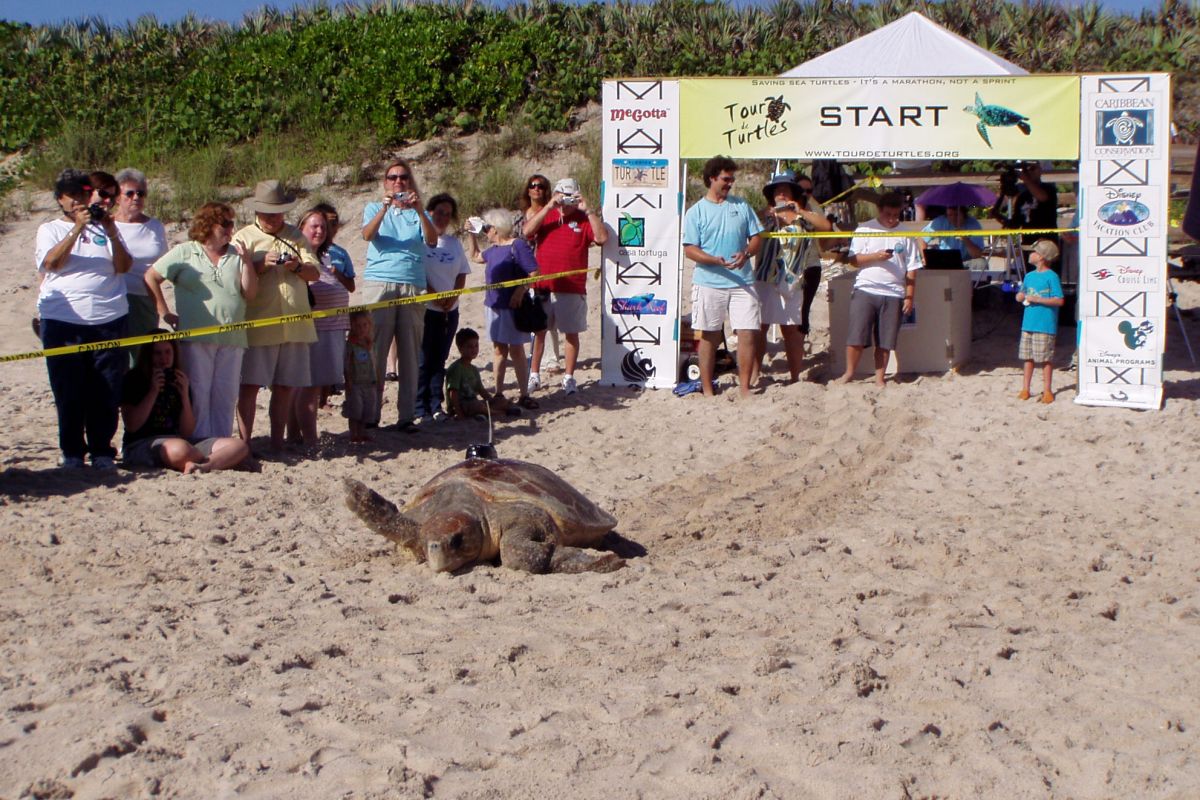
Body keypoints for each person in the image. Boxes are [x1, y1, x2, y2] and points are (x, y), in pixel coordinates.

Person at [36, 168, 133, 469]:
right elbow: (51, 263)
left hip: (109, 316)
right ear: (60, 199)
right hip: (63, 319)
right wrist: (77, 228)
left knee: (107, 387)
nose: (79, 200)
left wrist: (111, 231)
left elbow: (124, 266)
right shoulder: (50, 229)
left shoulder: (106, 227)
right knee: (68, 389)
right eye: (72, 195)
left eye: (83, 193)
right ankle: (72, 452)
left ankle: (102, 450)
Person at [146, 202, 257, 440]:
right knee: (198, 390)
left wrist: (247, 261)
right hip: (196, 336)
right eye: (225, 223)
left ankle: (221, 443)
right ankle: (199, 440)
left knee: (226, 394)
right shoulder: (186, 251)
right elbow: (151, 277)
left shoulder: (235, 254)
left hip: (232, 336)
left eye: (232, 223)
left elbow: (250, 293)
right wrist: (164, 312)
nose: (230, 228)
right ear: (208, 225)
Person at [232, 180, 319, 452]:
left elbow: (315, 273)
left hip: (295, 322)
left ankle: (277, 443)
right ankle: (244, 444)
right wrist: (260, 265)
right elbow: (234, 280)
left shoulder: (296, 236)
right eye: (268, 213)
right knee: (250, 386)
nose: (273, 218)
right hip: (260, 323)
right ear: (257, 211)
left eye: (278, 212)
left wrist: (295, 266)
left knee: (285, 387)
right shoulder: (243, 238)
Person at [360, 159, 438, 432]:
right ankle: (371, 414)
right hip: (380, 282)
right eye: (392, 177)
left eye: (403, 177)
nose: (398, 182)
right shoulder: (373, 207)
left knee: (409, 352)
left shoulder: (418, 211)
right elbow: (367, 235)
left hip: (412, 284)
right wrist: (385, 208)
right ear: (385, 182)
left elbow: (432, 240)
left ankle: (406, 416)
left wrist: (419, 211)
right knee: (376, 351)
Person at [682, 155, 763, 397]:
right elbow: (690, 249)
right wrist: (713, 259)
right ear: (712, 178)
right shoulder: (696, 211)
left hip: (743, 281)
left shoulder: (742, 206)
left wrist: (747, 253)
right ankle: (707, 389)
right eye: (726, 179)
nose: (730, 183)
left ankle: (745, 387)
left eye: (732, 179)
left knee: (747, 333)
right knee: (709, 336)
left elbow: (756, 237)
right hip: (709, 282)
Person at [523, 177, 607, 396]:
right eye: (563, 196)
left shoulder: (583, 219)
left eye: (571, 197)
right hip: (543, 285)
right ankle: (534, 374)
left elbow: (601, 238)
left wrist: (588, 210)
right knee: (539, 332)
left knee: (571, 333)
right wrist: (549, 206)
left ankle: (569, 377)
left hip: (572, 287)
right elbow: (527, 232)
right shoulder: (547, 214)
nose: (566, 202)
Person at [120, 338, 250, 473]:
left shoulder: (178, 379)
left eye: (168, 352)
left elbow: (186, 431)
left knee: (239, 445)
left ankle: (204, 466)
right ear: (148, 355)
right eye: (157, 353)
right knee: (181, 450)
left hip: (179, 441)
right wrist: (153, 391)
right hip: (144, 443)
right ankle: (219, 461)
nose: (163, 358)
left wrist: (184, 396)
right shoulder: (134, 378)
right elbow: (132, 425)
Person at [837, 192, 922, 388]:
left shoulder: (906, 233)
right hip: (866, 287)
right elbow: (853, 259)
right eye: (888, 214)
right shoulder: (865, 228)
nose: (892, 219)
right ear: (879, 210)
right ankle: (849, 373)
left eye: (895, 215)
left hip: (894, 292)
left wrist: (909, 296)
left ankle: (879, 378)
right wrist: (875, 256)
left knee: (885, 340)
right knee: (856, 335)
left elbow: (912, 268)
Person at [754, 170, 832, 382]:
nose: (781, 194)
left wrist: (801, 211)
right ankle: (754, 373)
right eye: (777, 190)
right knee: (760, 327)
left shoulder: (802, 217)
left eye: (785, 190)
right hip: (765, 277)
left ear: (793, 193)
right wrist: (765, 213)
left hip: (792, 279)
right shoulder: (764, 216)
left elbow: (826, 227)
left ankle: (795, 377)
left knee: (792, 329)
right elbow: (746, 228)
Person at [290, 206, 354, 446]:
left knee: (309, 388)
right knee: (308, 388)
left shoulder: (324, 257)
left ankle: (296, 436)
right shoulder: (298, 259)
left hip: (332, 330)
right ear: (301, 229)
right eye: (313, 226)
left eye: (323, 227)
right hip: (314, 330)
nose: (319, 231)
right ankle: (309, 440)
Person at [416, 193, 471, 423]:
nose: (443, 218)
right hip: (426, 308)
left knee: (440, 359)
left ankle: (435, 404)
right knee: (423, 359)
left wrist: (452, 296)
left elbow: (462, 273)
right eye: (439, 213)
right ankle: (419, 406)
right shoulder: (419, 241)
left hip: (450, 310)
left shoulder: (454, 243)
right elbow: (416, 273)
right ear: (430, 213)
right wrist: (434, 295)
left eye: (447, 214)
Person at [480, 208, 540, 410]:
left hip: (512, 306)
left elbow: (534, 272)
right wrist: (471, 235)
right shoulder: (494, 249)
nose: (485, 232)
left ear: (496, 228)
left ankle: (524, 394)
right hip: (493, 304)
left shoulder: (517, 245)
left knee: (516, 350)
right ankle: (498, 392)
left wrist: (520, 291)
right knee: (499, 350)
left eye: (487, 228)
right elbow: (476, 257)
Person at [112, 168, 167, 342]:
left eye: (141, 193)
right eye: (129, 193)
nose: (136, 198)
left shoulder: (155, 226)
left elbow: (163, 264)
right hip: (115, 296)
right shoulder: (107, 225)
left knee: (143, 350)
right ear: (117, 197)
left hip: (145, 297)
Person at [517, 173, 563, 373]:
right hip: (523, 269)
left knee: (547, 314)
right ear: (528, 190)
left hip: (545, 268)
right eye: (533, 185)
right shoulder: (520, 216)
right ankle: (532, 356)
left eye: (541, 186)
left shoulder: (554, 214)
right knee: (529, 313)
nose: (536, 189)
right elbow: (519, 236)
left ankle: (551, 358)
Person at [1015, 240, 1064, 403]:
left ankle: (1047, 390)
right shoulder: (1029, 276)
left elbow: (1059, 300)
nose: (1030, 254)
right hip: (1028, 323)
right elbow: (1022, 293)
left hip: (1045, 324)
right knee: (1027, 357)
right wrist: (1020, 296)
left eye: (1034, 252)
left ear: (1042, 257)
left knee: (1045, 358)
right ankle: (1025, 388)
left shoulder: (1052, 276)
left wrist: (1037, 299)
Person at [445, 328, 517, 420]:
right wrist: (459, 414)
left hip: (474, 402)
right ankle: (498, 413)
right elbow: (453, 393)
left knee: (501, 401)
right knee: (476, 405)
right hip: (461, 406)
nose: (474, 349)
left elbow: (481, 391)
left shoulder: (473, 369)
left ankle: (484, 414)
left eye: (476, 346)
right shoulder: (456, 368)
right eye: (470, 346)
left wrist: (492, 401)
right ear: (460, 348)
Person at [991, 161, 1058, 247]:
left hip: (1047, 244)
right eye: (1025, 170)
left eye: (1032, 168)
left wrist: (1025, 179)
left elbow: (1042, 197)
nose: (1029, 172)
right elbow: (1014, 225)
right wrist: (998, 216)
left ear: (1040, 170)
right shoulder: (1022, 197)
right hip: (1028, 245)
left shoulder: (1049, 189)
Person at [343, 311, 379, 444]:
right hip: (356, 382)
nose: (362, 329)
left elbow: (375, 363)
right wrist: (348, 380)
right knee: (355, 410)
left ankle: (363, 433)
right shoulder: (350, 345)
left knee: (367, 410)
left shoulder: (371, 344)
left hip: (370, 381)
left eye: (365, 325)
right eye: (358, 326)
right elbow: (347, 363)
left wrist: (378, 379)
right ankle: (354, 433)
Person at [920, 205, 986, 268]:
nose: (953, 218)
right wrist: (924, 257)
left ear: (964, 214)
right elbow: (921, 238)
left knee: (981, 263)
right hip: (944, 261)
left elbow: (977, 255)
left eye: (956, 215)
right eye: (950, 215)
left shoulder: (973, 224)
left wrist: (965, 239)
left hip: (966, 262)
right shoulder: (940, 221)